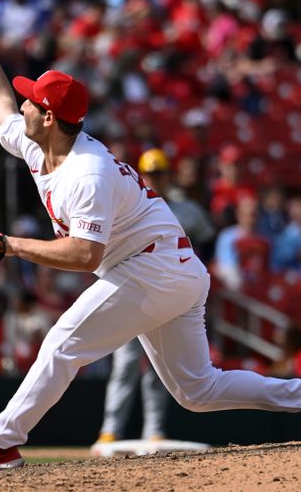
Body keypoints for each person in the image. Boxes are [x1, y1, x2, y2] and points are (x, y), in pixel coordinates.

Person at [0, 0, 301, 474]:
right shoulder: (37, 141)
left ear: (49, 117)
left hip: (153, 265)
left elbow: (86, 255)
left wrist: (10, 245)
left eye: (32, 101)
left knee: (62, 344)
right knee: (198, 391)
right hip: (168, 266)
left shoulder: (88, 172)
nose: (21, 104)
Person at [96, 148, 215, 445]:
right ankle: (110, 430)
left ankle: (154, 430)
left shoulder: (185, 210)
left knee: (158, 367)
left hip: (170, 290)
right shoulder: (128, 204)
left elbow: (208, 239)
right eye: (149, 173)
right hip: (134, 290)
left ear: (168, 175)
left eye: (159, 173)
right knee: (125, 364)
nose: (154, 178)